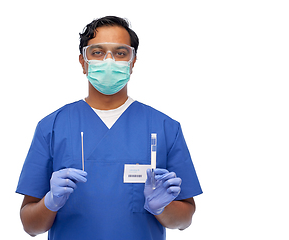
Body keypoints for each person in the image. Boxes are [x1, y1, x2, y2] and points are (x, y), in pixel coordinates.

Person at [16, 16, 202, 240]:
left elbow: (184, 221)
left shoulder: (164, 128)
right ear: (83, 61)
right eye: (97, 52)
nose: (109, 61)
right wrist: (50, 202)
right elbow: (30, 226)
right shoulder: (52, 127)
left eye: (120, 53)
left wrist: (162, 208)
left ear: (132, 62)